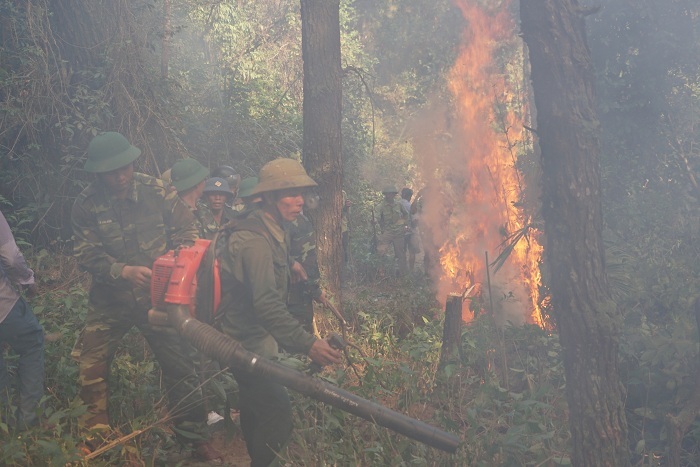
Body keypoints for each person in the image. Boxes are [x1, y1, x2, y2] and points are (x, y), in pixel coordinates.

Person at [71, 132, 220, 461]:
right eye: (112, 172)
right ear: (97, 173)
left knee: (181, 364)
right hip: (110, 302)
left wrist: (172, 265)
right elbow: (86, 255)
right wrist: (121, 270)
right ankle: (95, 439)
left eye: (125, 168)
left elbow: (188, 233)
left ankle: (193, 436)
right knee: (91, 365)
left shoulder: (157, 190)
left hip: (159, 298)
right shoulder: (85, 205)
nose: (120, 176)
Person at [216, 158, 343, 466]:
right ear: (269, 197)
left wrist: (291, 265)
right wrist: (309, 343)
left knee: (255, 405)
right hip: (244, 343)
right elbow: (266, 305)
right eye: (289, 194)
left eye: (301, 193)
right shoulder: (255, 240)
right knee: (277, 412)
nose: (299, 201)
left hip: (256, 339)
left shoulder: (274, 228)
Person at [0, 209, 44, 430]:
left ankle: (3, 426)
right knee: (31, 342)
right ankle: (28, 422)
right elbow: (10, 256)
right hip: (3, 306)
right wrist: (27, 280)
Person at [287, 211, 322, 334]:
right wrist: (315, 291)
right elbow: (307, 261)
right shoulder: (299, 221)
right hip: (295, 294)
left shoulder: (257, 219)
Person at [377, 185, 409, 277]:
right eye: (388, 194)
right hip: (387, 232)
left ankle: (403, 275)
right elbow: (377, 217)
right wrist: (375, 221)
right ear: (385, 195)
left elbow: (406, 215)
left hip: (399, 232)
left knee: (401, 254)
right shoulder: (381, 206)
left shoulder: (399, 204)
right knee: (381, 251)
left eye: (391, 194)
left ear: (394, 195)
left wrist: (405, 225)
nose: (389, 195)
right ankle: (381, 273)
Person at [400, 188, 421, 271]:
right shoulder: (410, 206)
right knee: (412, 253)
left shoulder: (396, 205)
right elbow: (415, 220)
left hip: (400, 233)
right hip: (411, 233)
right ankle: (411, 271)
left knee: (402, 253)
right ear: (408, 196)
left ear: (402, 195)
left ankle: (403, 271)